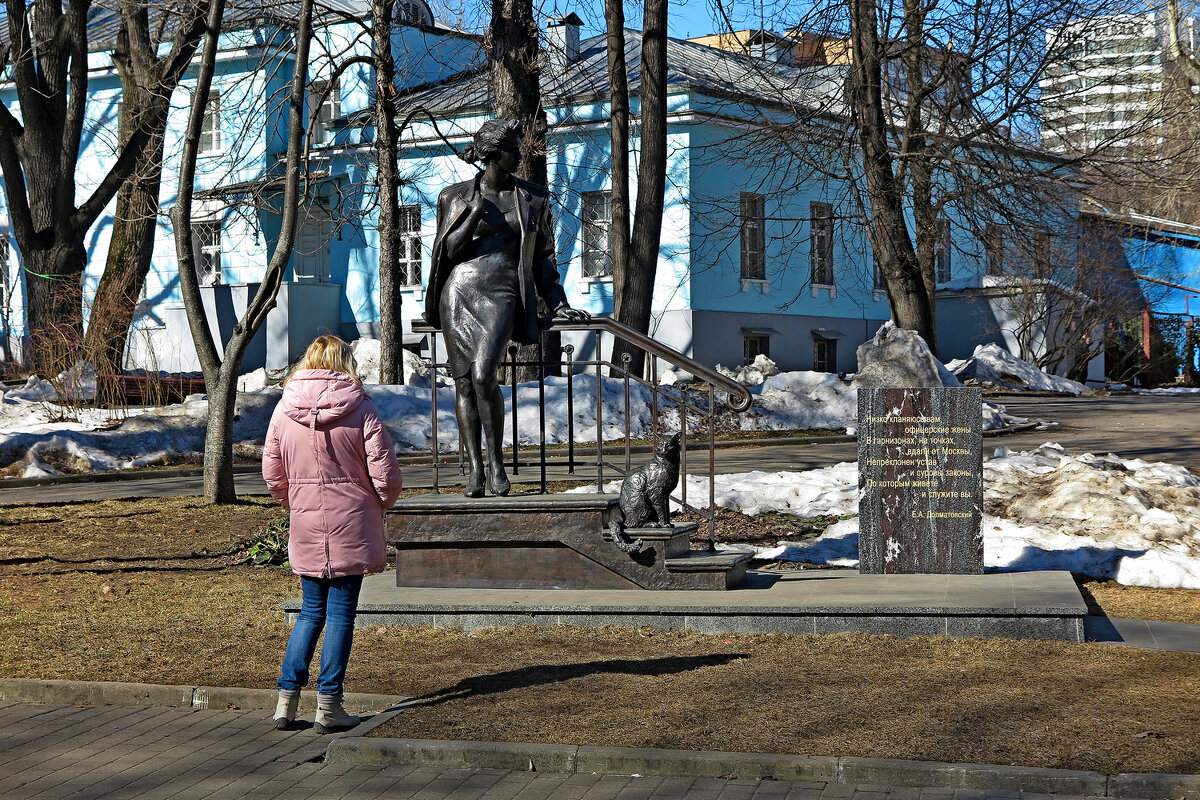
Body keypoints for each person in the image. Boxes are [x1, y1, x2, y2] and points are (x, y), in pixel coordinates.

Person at [425, 118, 589, 498]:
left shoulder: (532, 197)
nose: (520, 154)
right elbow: (447, 252)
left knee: (484, 375)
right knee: (464, 382)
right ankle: (476, 471)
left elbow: (543, 260)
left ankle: (497, 462)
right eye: (514, 149)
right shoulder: (455, 196)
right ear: (494, 155)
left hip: (504, 291)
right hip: (460, 291)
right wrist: (474, 215)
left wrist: (558, 304)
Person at [262, 335, 403, 733]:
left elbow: (273, 476)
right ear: (345, 362)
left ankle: (285, 702)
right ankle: (329, 706)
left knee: (310, 612)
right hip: (353, 522)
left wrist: (297, 503)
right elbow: (386, 473)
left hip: (307, 522)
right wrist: (378, 502)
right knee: (341, 615)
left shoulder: (283, 409)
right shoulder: (361, 406)